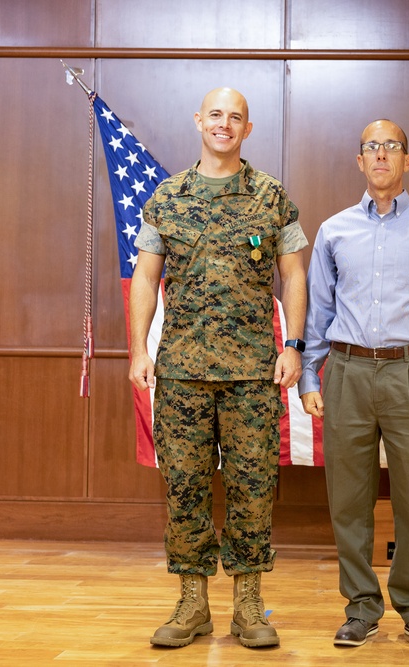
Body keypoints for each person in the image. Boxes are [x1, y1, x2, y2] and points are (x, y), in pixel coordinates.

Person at [128, 87, 308, 649]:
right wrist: (139, 350)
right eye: (215, 115)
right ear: (198, 122)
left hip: (254, 372)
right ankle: (191, 602)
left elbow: (295, 276)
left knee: (253, 487)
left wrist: (294, 344)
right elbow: (145, 277)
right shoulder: (167, 196)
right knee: (184, 487)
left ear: (247, 129)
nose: (224, 125)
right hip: (181, 372)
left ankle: (249, 604)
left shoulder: (271, 197)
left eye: (235, 118)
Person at [299, 119, 409, 650]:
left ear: (407, 160)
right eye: (371, 148)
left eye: (391, 147)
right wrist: (310, 375)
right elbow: (318, 313)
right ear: (360, 161)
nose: (381, 155)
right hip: (347, 373)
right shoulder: (333, 231)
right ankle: (360, 606)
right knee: (347, 499)